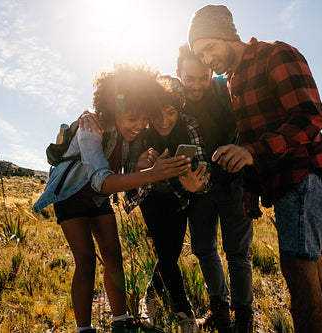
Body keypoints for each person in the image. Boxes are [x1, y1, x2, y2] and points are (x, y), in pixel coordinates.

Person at [188, 4, 322, 333]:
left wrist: (252, 152)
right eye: (199, 54)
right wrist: (250, 187)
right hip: (280, 182)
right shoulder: (234, 82)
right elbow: (249, 139)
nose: (207, 61)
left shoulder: (275, 55)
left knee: (296, 267)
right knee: (311, 268)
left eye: (209, 48)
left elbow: (310, 117)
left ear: (226, 35)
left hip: (307, 173)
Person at [33, 64, 192, 333]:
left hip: (98, 199)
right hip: (71, 196)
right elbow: (102, 180)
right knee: (85, 260)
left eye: (144, 118)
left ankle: (121, 322)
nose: (140, 125)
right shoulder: (90, 128)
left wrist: (142, 167)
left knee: (114, 256)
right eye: (132, 118)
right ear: (113, 109)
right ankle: (84, 329)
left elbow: (128, 174)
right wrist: (152, 174)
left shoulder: (132, 134)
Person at [176, 43, 256, 332]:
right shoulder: (174, 101)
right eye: (189, 78)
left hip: (234, 183)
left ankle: (244, 317)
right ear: (179, 73)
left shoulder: (226, 91)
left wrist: (251, 183)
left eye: (202, 77)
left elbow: (250, 127)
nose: (196, 85)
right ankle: (219, 310)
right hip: (199, 189)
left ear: (210, 72)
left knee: (238, 253)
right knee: (202, 248)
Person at [123, 76, 209, 333]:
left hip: (180, 198)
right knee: (167, 252)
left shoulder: (189, 125)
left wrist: (199, 184)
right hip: (150, 196)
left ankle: (148, 297)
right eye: (157, 113)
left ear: (179, 110)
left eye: (171, 112)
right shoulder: (142, 131)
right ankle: (185, 315)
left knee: (169, 254)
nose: (163, 120)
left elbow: (205, 163)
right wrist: (139, 168)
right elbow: (126, 171)